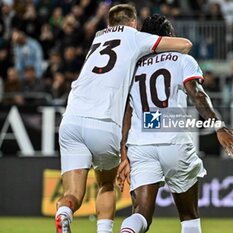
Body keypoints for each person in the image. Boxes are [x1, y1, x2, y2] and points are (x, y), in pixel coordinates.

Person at [55, 4, 192, 233]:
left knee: (72, 195)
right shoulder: (134, 36)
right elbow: (184, 45)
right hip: (103, 122)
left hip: (71, 120)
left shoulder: (97, 39)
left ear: (109, 24)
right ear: (133, 22)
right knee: (106, 183)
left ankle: (64, 212)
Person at [117, 14, 233, 233]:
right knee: (188, 216)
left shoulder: (133, 68)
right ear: (170, 36)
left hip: (141, 145)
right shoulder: (182, 60)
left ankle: (127, 231)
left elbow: (126, 114)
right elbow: (198, 95)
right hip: (174, 142)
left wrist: (123, 151)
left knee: (140, 214)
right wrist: (218, 126)